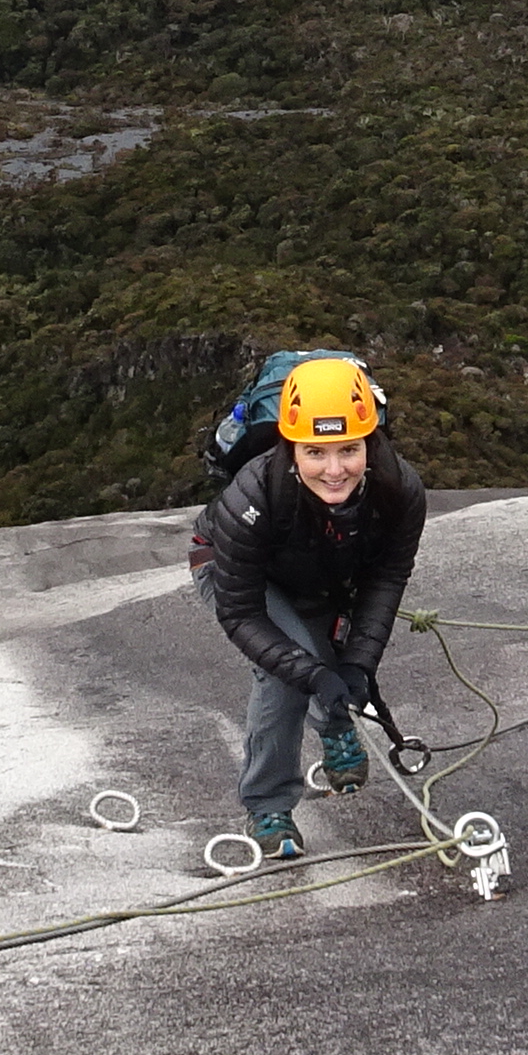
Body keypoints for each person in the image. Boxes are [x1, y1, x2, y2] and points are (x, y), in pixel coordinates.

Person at [189, 354, 427, 865]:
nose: (334, 469)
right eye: (315, 452)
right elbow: (242, 613)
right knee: (289, 673)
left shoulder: (399, 491)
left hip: (317, 566)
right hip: (236, 572)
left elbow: (385, 578)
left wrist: (359, 665)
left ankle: (337, 724)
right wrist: (317, 676)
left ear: (372, 443)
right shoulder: (252, 496)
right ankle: (268, 804)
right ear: (289, 446)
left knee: (325, 663)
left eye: (348, 450)